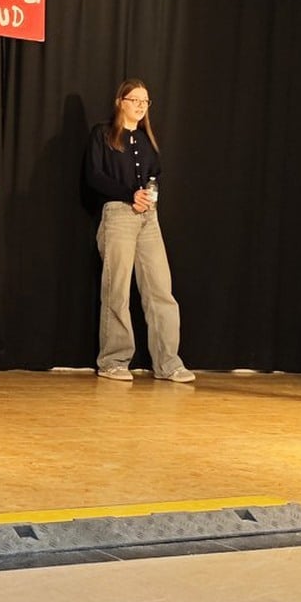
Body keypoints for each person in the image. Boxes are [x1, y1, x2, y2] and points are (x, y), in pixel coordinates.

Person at [83, 79, 194, 384]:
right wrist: (128, 193)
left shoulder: (145, 140)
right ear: (121, 101)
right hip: (119, 214)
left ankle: (168, 362)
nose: (141, 106)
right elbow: (94, 176)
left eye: (145, 101)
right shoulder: (103, 134)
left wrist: (147, 195)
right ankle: (113, 360)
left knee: (160, 289)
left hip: (147, 218)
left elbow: (154, 174)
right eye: (135, 100)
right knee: (116, 290)